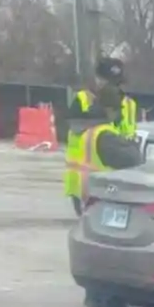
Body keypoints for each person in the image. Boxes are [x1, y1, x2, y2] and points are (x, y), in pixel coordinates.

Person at [62, 56, 140, 213]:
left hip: (118, 174)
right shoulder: (83, 99)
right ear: (98, 79)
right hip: (86, 178)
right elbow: (73, 131)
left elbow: (130, 134)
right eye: (108, 82)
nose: (114, 88)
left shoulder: (130, 104)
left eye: (117, 83)